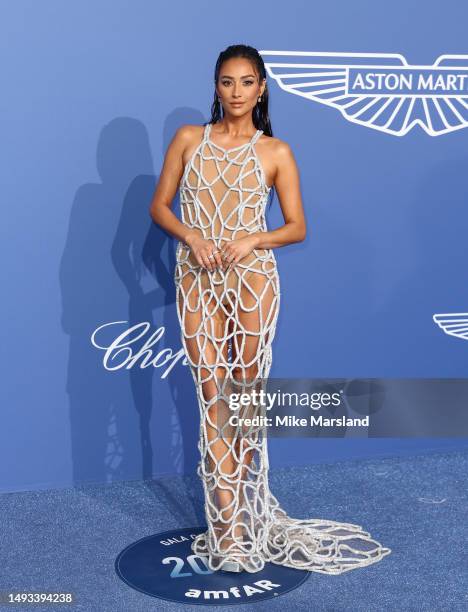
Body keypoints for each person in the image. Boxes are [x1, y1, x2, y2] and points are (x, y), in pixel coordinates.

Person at [149, 44, 391, 574]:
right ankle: (228, 530)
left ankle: (244, 515)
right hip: (195, 278)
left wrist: (252, 240)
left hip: (253, 282)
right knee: (211, 392)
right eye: (227, 82)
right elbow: (160, 206)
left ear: (262, 88)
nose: (236, 92)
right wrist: (191, 235)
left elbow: (297, 226)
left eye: (247, 82)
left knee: (242, 397)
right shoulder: (189, 139)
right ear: (215, 87)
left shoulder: (277, 151)